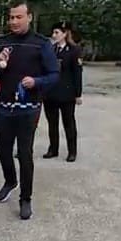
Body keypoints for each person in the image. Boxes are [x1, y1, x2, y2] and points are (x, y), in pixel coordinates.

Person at [0, 1, 59, 221]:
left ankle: (26, 198)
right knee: (3, 150)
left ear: (29, 17)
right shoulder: (3, 42)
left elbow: (54, 74)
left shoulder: (41, 44)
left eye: (19, 17)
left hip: (29, 108)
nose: (14, 21)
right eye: (11, 17)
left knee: (24, 153)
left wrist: (36, 81)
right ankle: (10, 181)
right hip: (5, 107)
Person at [44, 21, 84, 162]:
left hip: (66, 93)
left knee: (69, 123)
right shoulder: (51, 49)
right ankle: (53, 149)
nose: (54, 35)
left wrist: (78, 94)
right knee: (52, 123)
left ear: (65, 34)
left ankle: (72, 151)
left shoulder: (74, 50)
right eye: (53, 33)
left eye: (57, 33)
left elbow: (77, 73)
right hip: (50, 93)